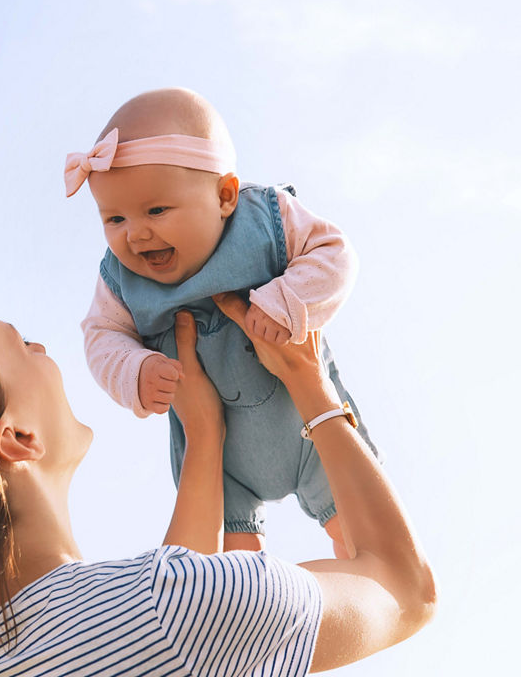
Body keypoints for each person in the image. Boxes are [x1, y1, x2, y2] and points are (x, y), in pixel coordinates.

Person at [0, 293, 435, 675]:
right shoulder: (176, 609)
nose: (43, 348)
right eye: (20, 346)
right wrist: (308, 382)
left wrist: (205, 441)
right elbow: (406, 590)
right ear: (17, 438)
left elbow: (160, 624)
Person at [69, 87, 375, 555]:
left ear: (225, 196)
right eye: (113, 218)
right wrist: (134, 370)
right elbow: (101, 336)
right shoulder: (119, 283)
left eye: (156, 210)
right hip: (221, 458)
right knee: (232, 574)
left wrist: (288, 300)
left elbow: (334, 254)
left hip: (310, 424)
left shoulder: (265, 219)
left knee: (362, 538)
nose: (136, 233)